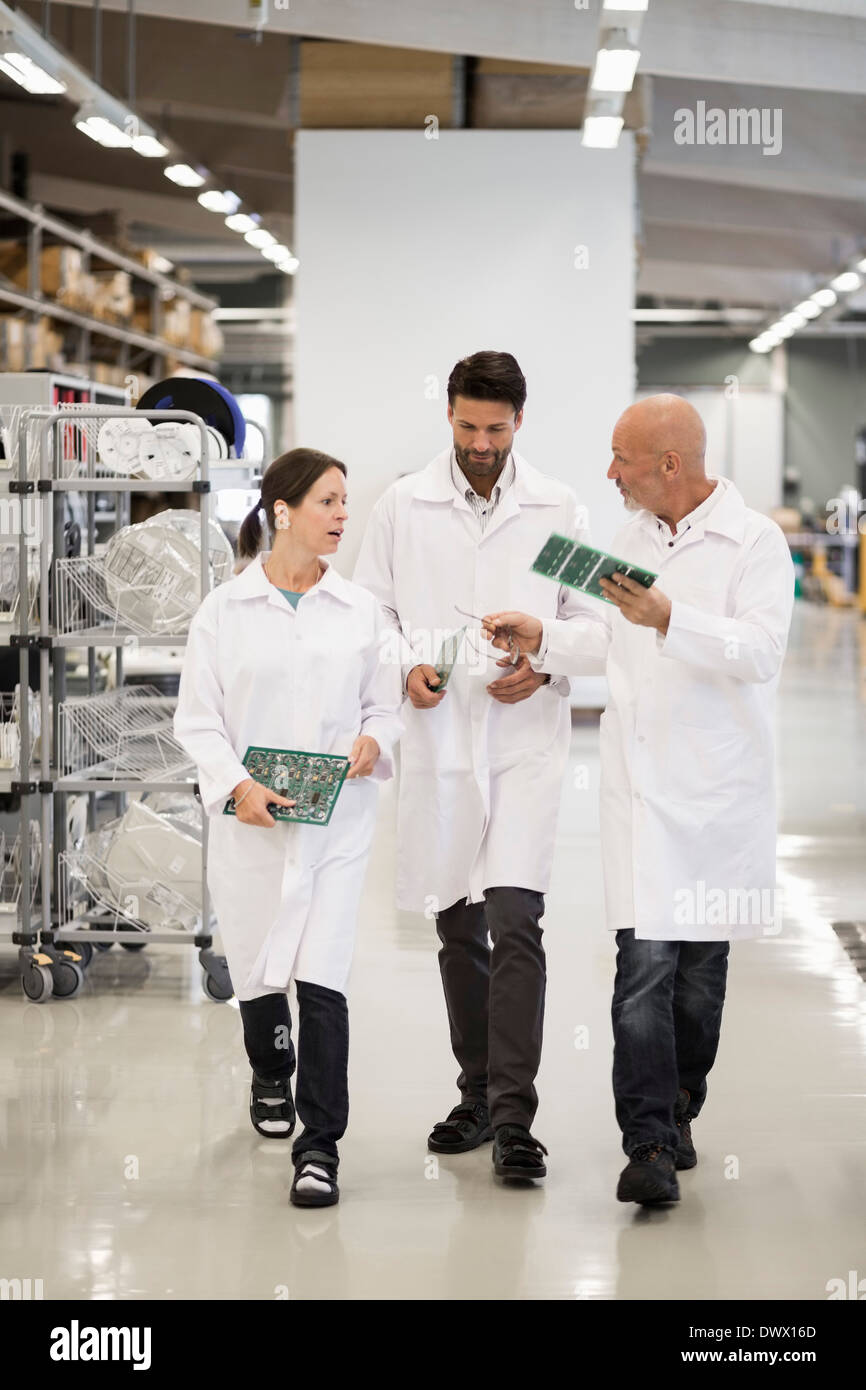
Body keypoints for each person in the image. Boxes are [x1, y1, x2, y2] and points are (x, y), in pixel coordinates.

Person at [482, 394, 795, 1204]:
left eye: (622, 458)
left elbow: (761, 652)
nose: (609, 472)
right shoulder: (622, 539)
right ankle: (648, 1143)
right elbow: (604, 638)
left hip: (718, 799)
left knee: (699, 982)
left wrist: (670, 616)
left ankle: (683, 1107)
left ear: (669, 465)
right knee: (643, 971)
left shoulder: (755, 542)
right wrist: (542, 638)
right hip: (640, 798)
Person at [353, 351, 606, 1181]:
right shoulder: (402, 505)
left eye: (495, 430)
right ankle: (474, 1093)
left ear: (519, 423)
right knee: (457, 925)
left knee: (516, 920)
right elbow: (374, 610)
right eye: (466, 427)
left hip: (524, 743)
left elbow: (598, 621)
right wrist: (403, 668)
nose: (479, 443)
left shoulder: (558, 507)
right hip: (439, 746)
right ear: (449, 417)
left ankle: (513, 1119)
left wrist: (551, 661)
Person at [173, 448, 402, 1208]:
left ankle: (320, 1147)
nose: (343, 517)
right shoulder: (223, 612)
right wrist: (235, 786)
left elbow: (383, 703)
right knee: (259, 969)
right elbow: (198, 720)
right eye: (329, 503)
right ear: (282, 511)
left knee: (324, 975)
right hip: (252, 824)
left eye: (345, 503)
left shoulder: (360, 609)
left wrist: (377, 740)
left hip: (334, 825)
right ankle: (271, 1073)